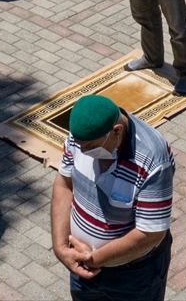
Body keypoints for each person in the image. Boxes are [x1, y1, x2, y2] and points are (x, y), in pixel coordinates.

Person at [51, 93, 175, 301]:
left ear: (116, 132)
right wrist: (61, 248)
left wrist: (93, 259)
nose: (81, 150)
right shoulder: (82, 134)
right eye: (79, 144)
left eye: (89, 148)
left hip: (133, 277)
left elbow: (151, 234)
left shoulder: (153, 159)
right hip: (82, 266)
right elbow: (63, 185)